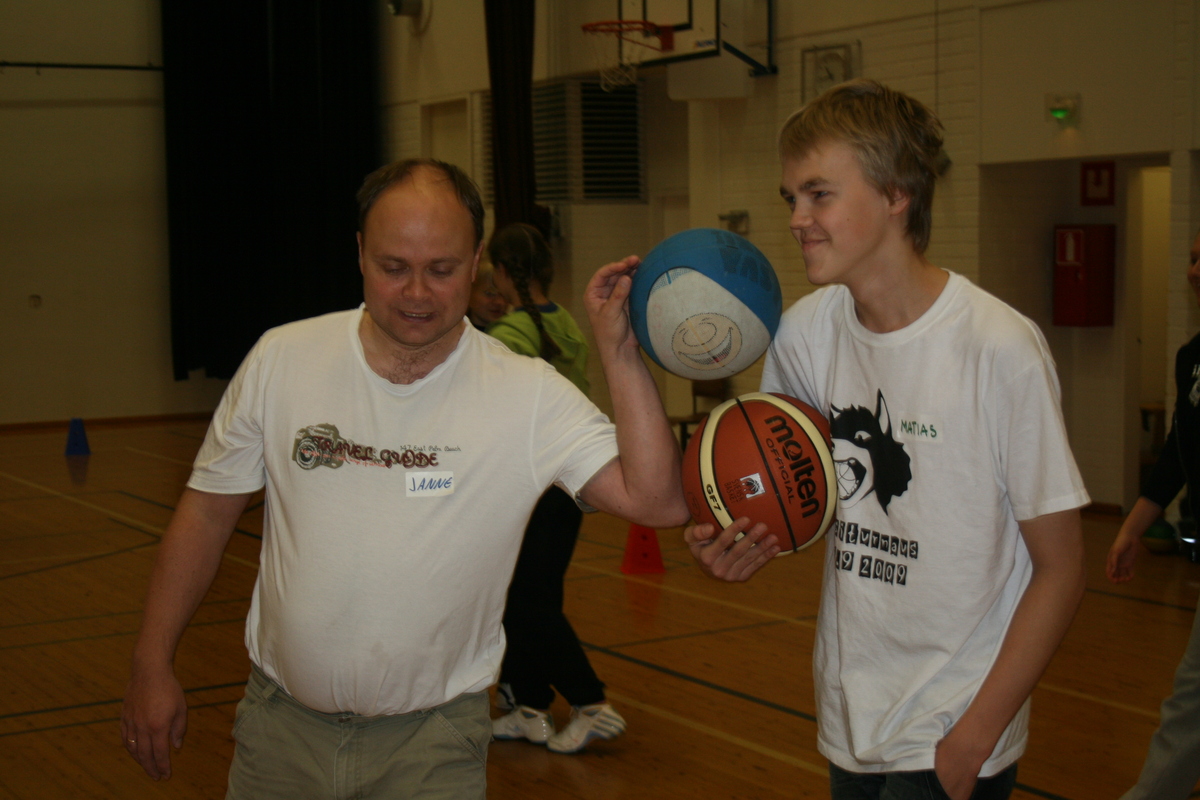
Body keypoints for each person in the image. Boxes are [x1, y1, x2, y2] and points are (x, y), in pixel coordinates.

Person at [119, 158, 689, 799]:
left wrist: (619, 351)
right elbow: (204, 513)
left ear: (475, 262)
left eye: (441, 270)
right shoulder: (282, 358)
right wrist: (150, 662)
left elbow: (658, 502)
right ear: (360, 253)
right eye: (394, 267)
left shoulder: (526, 394)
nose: (417, 293)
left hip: (432, 749)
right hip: (279, 734)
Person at [685, 80, 1089, 800]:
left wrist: (975, 735)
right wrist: (736, 538)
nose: (798, 220)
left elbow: (1061, 568)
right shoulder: (806, 334)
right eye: (791, 198)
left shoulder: (998, 346)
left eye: (819, 195)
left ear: (897, 192)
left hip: (952, 723)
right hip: (850, 714)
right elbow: (789, 494)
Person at [483, 222, 626, 754]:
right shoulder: (563, 322)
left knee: (527, 603)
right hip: (567, 488)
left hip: (532, 491)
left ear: (501, 272)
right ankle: (530, 707)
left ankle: (591, 703)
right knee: (530, 596)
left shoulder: (506, 337)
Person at [1106, 228, 1200, 800]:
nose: (1195, 270)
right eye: (1192, 258)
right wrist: (1132, 528)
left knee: (1193, 697)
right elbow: (1175, 457)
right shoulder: (1192, 360)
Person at [467, 261, 508, 330]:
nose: (499, 302)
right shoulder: (456, 331)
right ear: (470, 293)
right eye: (489, 294)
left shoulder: (513, 331)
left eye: (503, 295)